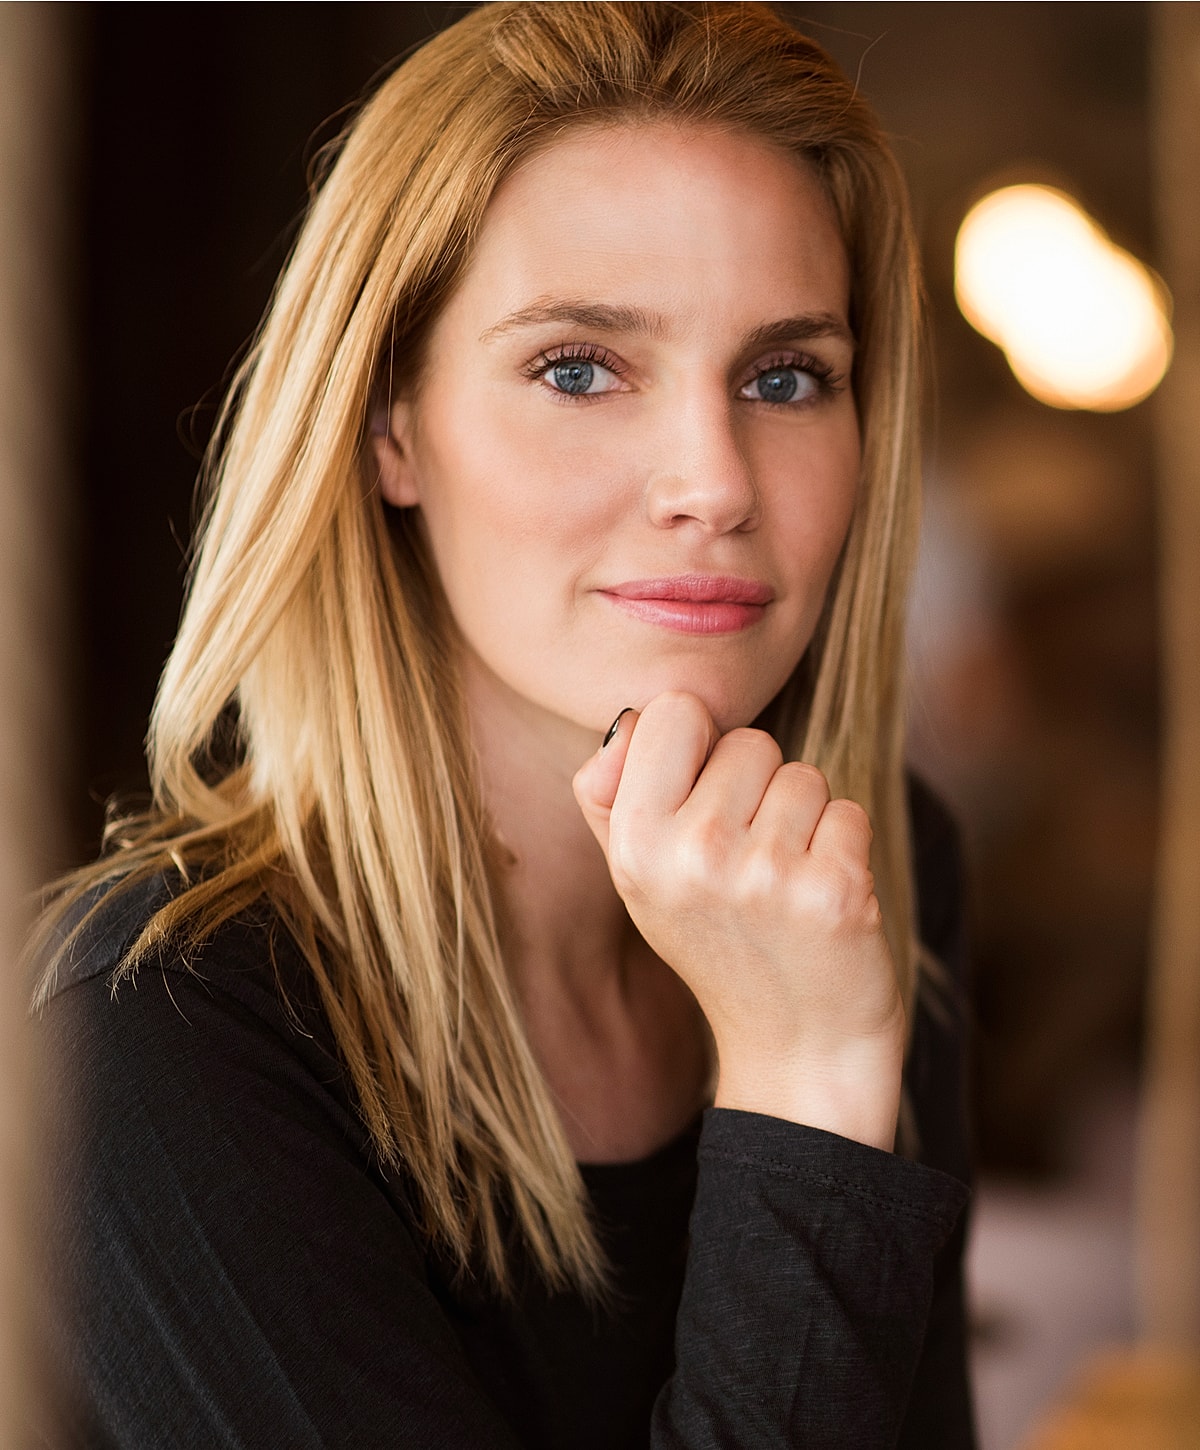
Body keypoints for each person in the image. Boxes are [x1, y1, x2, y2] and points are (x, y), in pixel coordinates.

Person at [31, 4, 975, 1446]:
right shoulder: (156, 1036)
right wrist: (807, 1089)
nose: (712, 481)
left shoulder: (871, 873)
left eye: (787, 377)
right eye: (581, 368)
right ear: (388, 423)